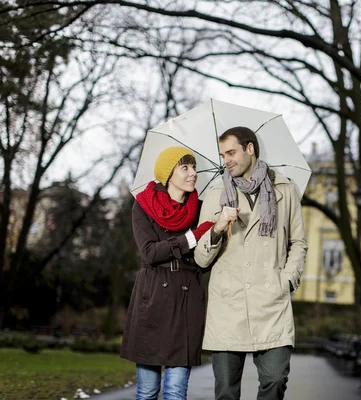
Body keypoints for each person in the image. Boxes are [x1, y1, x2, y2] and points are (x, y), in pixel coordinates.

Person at [194, 126, 307, 400]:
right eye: (222, 155)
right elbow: (200, 258)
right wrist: (218, 227)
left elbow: (298, 242)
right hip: (228, 303)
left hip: (271, 302)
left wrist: (287, 279)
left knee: (276, 380)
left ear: (250, 149)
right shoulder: (215, 195)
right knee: (226, 393)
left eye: (231, 152)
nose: (226, 160)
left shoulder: (284, 189)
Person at [120, 146, 215, 400]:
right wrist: (193, 236)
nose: (193, 173)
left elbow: (204, 263)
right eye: (185, 168)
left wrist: (214, 234)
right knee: (148, 390)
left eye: (193, 167)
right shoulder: (143, 206)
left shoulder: (202, 209)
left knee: (176, 392)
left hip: (187, 298)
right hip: (152, 297)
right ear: (168, 174)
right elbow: (150, 253)